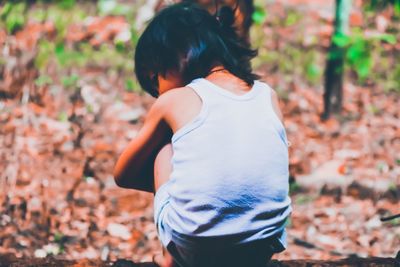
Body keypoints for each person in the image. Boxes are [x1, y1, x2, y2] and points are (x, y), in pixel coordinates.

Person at [113, 2, 292, 267]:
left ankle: (168, 258)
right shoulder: (268, 96)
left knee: (165, 150)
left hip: (195, 249)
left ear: (176, 54)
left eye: (155, 80)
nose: (158, 92)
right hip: (261, 249)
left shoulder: (174, 100)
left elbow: (123, 174)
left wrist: (179, 182)